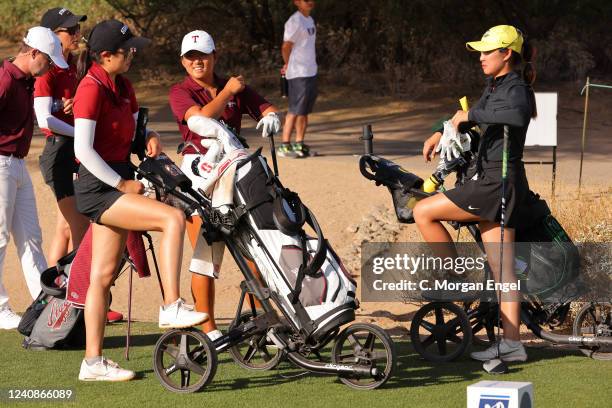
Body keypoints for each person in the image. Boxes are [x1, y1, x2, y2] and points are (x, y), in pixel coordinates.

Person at [73, 20, 207, 381]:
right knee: (172, 219)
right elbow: (82, 149)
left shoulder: (124, 85)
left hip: (117, 181)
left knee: (101, 276)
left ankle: (92, 363)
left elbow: (133, 131)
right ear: (105, 56)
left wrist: (149, 135)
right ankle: (170, 306)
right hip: (100, 187)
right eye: (126, 49)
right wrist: (122, 183)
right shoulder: (90, 88)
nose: (133, 53)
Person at [414, 25, 537, 362]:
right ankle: (513, 345)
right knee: (503, 271)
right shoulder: (495, 85)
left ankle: (454, 277)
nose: (480, 58)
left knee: (423, 211)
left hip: (496, 185)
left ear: (506, 54)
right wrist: (441, 131)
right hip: (496, 184)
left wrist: (470, 115)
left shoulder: (516, 89)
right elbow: (465, 119)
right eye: (480, 52)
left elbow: (516, 115)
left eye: (487, 52)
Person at [169, 30, 280, 341]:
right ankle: (208, 328)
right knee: (206, 254)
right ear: (182, 61)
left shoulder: (233, 87)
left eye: (202, 55)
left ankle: (265, 325)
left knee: (253, 252)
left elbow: (265, 107)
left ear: (214, 56)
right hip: (198, 176)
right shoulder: (181, 91)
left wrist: (272, 116)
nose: (197, 62)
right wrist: (229, 91)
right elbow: (202, 119)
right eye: (190, 57)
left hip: (235, 176)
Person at [34, 8, 123, 325]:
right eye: (69, 30)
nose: (75, 35)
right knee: (82, 228)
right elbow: (44, 118)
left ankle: (56, 299)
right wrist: (78, 127)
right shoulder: (46, 70)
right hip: (59, 154)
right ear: (51, 35)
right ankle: (79, 300)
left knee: (65, 227)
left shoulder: (69, 66)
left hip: (70, 152)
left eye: (75, 30)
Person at [0, 27, 67, 330]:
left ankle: (45, 303)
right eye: (48, 61)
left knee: (31, 237)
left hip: (17, 165)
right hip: (1, 162)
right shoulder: (4, 80)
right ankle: (0, 308)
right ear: (34, 53)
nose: (50, 67)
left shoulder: (26, 81)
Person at [278, 0, 317, 158]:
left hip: (310, 71)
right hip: (298, 72)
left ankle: (299, 143)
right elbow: (286, 46)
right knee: (295, 109)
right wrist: (288, 63)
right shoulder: (294, 21)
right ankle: (284, 145)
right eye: (305, 0)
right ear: (296, 2)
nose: (310, 2)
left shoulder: (309, 19)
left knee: (304, 111)